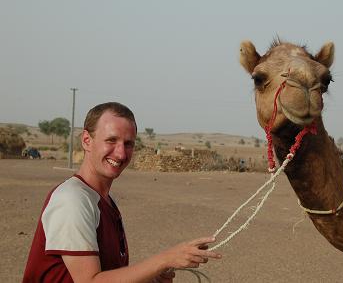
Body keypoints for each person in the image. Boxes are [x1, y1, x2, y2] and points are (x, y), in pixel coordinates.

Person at [23, 102, 221, 282]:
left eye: (128, 144)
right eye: (111, 140)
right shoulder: (72, 199)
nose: (121, 153)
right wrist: (165, 259)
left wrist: (149, 277)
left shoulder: (105, 201)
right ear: (86, 140)